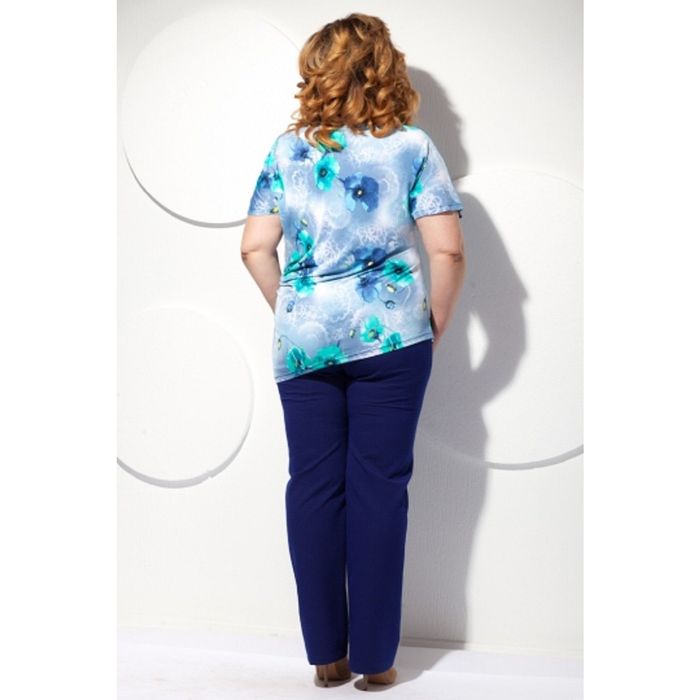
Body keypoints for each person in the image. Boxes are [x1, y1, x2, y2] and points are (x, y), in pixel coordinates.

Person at [241, 12, 466, 691]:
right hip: (392, 336)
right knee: (379, 490)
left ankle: (326, 658)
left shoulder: (287, 151)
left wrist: (295, 313)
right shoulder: (413, 148)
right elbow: (448, 251)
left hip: (303, 341)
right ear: (386, 70)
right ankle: (377, 660)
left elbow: (254, 248)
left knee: (312, 487)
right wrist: (433, 322)